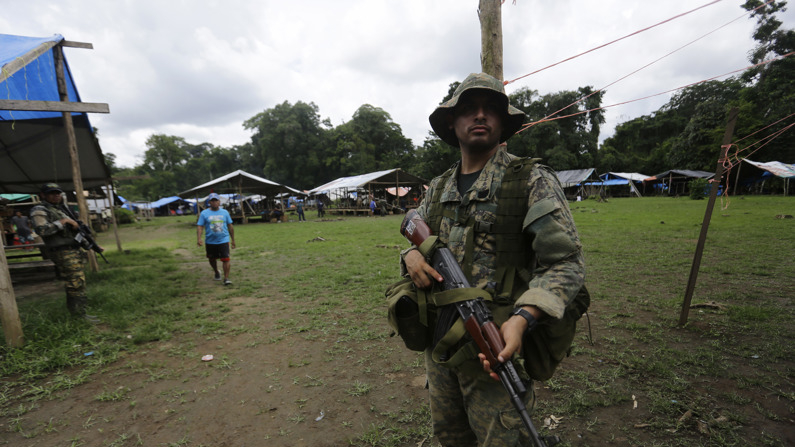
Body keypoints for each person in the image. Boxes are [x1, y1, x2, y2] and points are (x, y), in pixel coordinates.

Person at [400, 73, 585, 446]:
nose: (480, 116)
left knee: (502, 439)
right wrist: (409, 256)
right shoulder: (438, 188)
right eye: (468, 109)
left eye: (490, 110)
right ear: (453, 123)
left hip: (497, 345)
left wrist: (522, 319)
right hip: (441, 347)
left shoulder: (531, 180)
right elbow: (413, 228)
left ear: (503, 122)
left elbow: (565, 263)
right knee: (450, 437)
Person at [30, 183, 99, 322]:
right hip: (61, 251)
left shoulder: (60, 209)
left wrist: (88, 244)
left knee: (77, 282)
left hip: (72, 250)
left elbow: (74, 232)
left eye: (58, 193)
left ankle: (79, 313)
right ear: (43, 195)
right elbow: (41, 230)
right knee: (75, 282)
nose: (56, 195)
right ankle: (79, 316)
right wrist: (63, 221)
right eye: (52, 193)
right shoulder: (39, 210)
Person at [196, 193, 236, 285]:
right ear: (209, 202)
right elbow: (200, 226)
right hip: (210, 241)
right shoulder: (204, 213)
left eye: (216, 200)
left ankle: (226, 278)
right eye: (212, 201)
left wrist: (233, 240)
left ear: (219, 201)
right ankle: (216, 272)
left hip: (224, 240)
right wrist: (199, 238)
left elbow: (230, 226)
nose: (214, 202)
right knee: (212, 259)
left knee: (226, 259)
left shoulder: (225, 212)